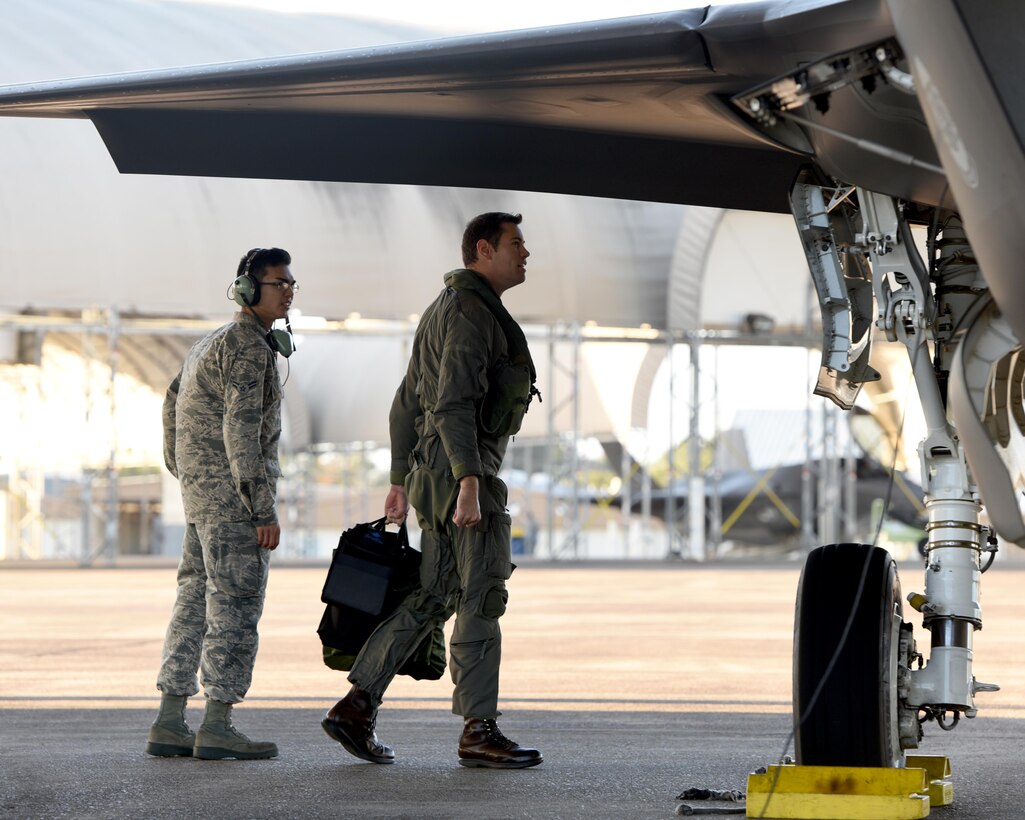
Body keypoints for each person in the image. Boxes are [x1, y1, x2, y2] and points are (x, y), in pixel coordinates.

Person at [323, 212, 543, 769]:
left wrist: (401, 480)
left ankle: (357, 705)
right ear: (484, 250)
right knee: (481, 597)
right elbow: (451, 404)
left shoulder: (444, 308)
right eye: (517, 244)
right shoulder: (472, 312)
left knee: (434, 596)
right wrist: (470, 482)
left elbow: (405, 402)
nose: (526, 253)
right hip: (462, 478)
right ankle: (478, 729)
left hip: (432, 476)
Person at [145, 247, 297, 761]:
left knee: (192, 604)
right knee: (234, 608)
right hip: (234, 506)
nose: (289, 291)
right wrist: (261, 507)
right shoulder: (250, 347)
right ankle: (217, 724)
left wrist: (187, 475)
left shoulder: (208, 342)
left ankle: (169, 720)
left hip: (202, 503)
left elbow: (170, 405)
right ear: (249, 290)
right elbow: (241, 430)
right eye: (279, 283)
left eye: (291, 283)